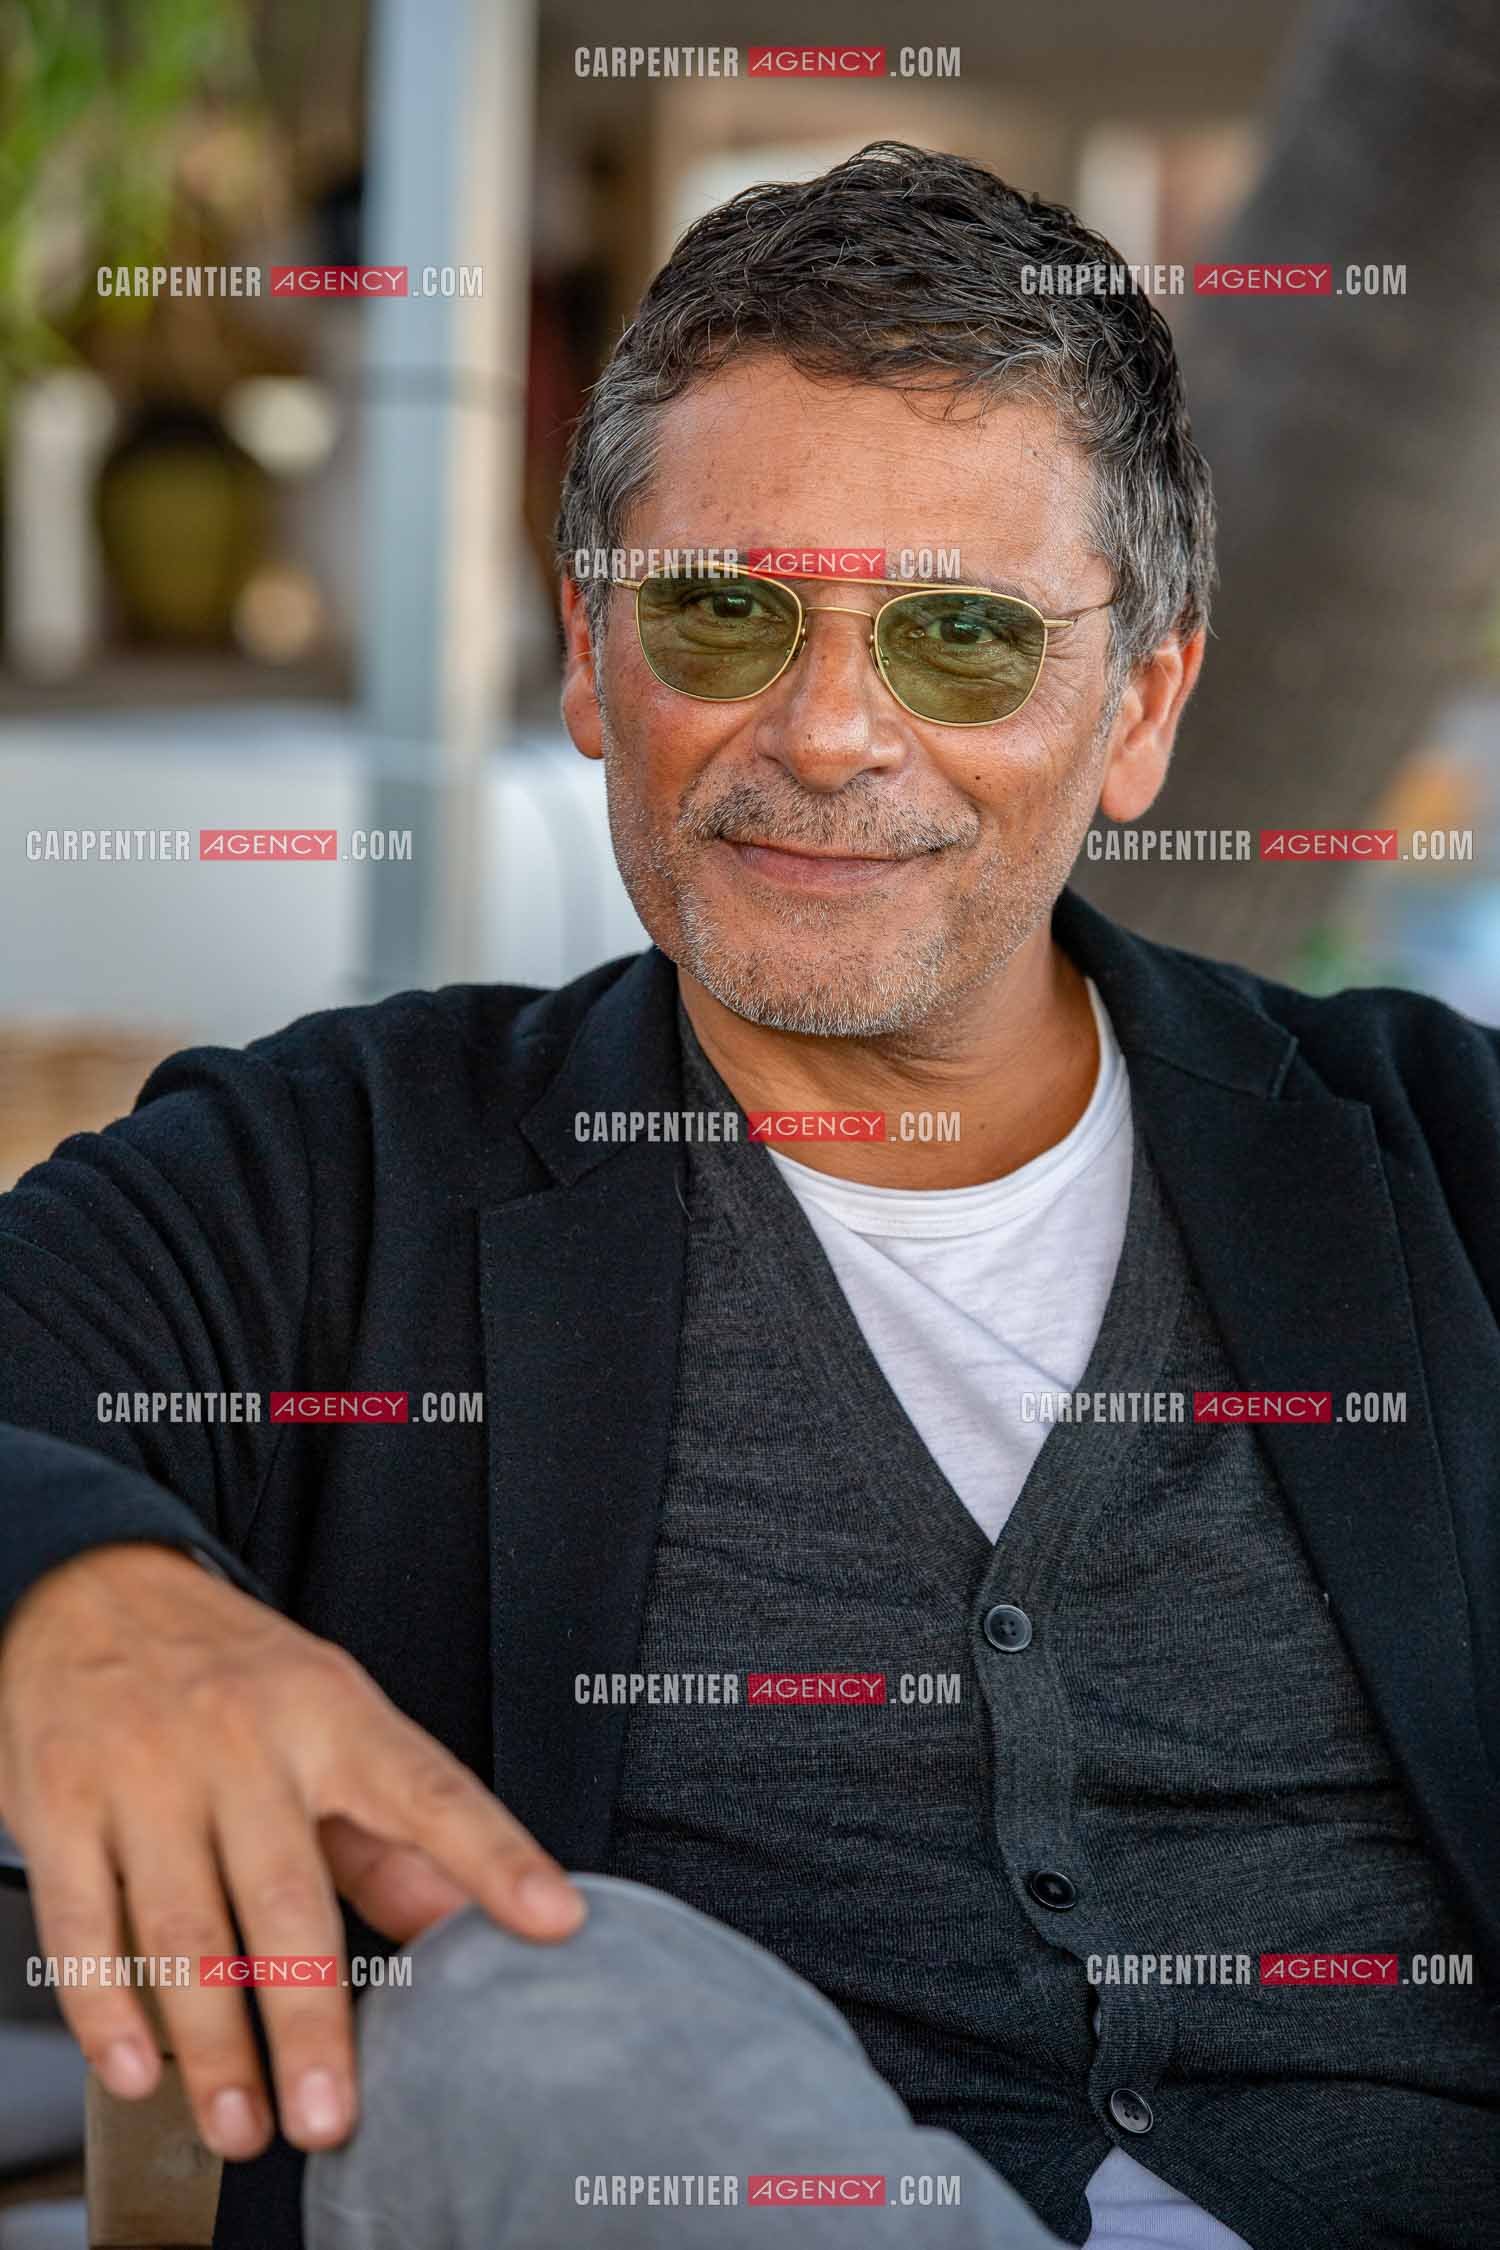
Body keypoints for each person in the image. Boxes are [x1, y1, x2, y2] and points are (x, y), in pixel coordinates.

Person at [1, 143, 1497, 2250]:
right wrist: (86, 1606)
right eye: (725, 614)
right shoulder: (340, 1176)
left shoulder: (1447, 1167)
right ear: (592, 664)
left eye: (962, 640)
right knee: (527, 2006)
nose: (826, 733)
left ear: (1138, 706)